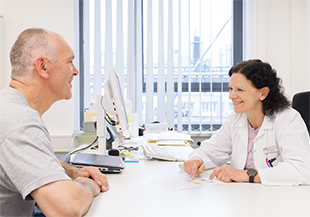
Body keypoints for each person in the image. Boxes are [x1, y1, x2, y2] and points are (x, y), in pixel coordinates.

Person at [0, 28, 109, 217]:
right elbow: (66, 209)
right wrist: (87, 185)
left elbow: (36, 154)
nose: (75, 71)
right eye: (69, 62)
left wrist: (72, 172)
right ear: (43, 67)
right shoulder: (19, 121)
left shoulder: (9, 105)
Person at [184, 59, 310, 185]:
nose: (231, 96)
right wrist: (196, 159)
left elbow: (301, 170)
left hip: (279, 197)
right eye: (231, 89)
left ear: (263, 93)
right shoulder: (235, 120)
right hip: (241, 196)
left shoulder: (287, 119)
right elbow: (210, 150)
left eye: (240, 90)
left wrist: (246, 175)